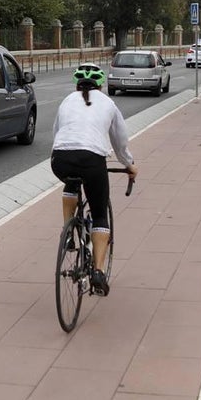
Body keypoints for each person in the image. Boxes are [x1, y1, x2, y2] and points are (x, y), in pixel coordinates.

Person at [51, 64, 137, 296]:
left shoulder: (67, 100)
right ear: (101, 85)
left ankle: (68, 230)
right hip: (92, 160)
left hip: (59, 159)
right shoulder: (108, 103)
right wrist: (129, 165)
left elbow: (57, 133)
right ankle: (98, 271)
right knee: (100, 213)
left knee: (71, 181)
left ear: (76, 84)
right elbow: (120, 142)